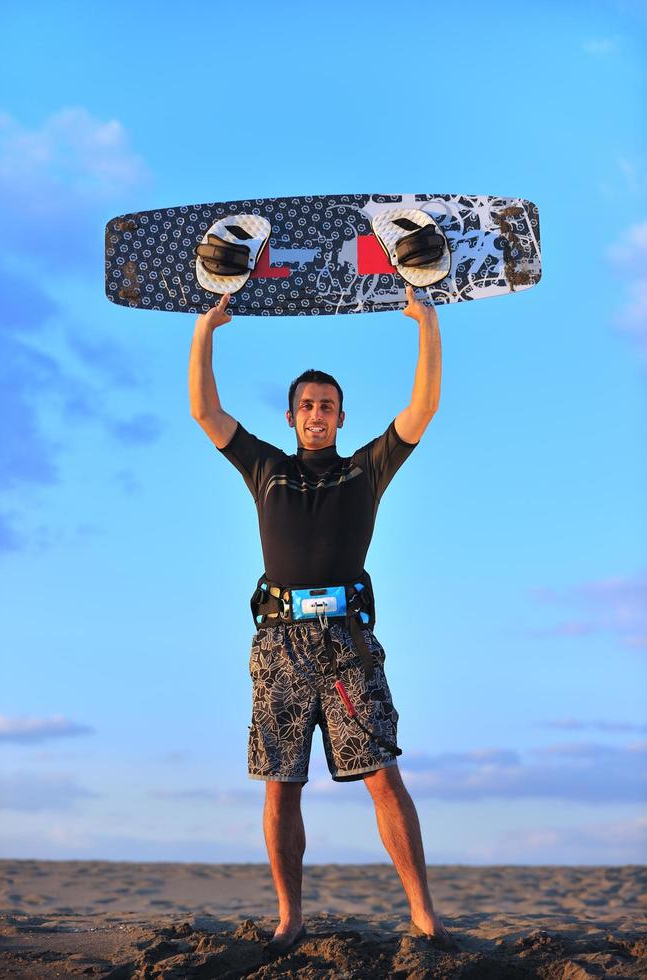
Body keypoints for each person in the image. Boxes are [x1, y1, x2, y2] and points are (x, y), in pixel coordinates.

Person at [188, 285, 458, 954]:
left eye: (327, 407)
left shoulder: (364, 470)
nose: (316, 414)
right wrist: (206, 330)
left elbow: (422, 407)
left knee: (384, 779)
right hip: (277, 646)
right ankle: (290, 918)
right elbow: (203, 410)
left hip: (346, 647)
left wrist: (425, 321)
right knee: (281, 788)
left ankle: (424, 915)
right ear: (291, 416)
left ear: (341, 417)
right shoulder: (265, 468)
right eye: (306, 406)